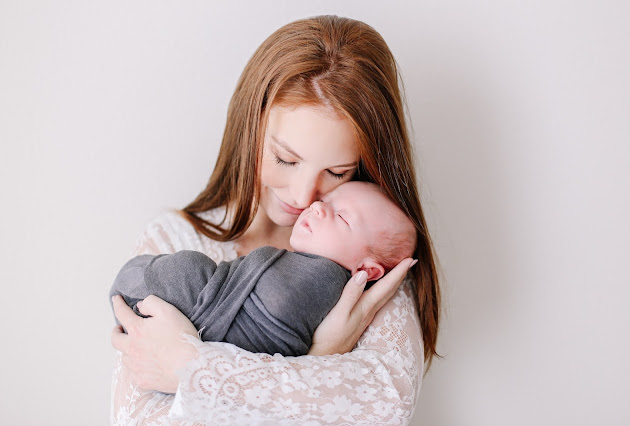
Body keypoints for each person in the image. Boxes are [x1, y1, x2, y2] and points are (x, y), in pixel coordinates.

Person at [111, 15, 440, 424]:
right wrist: (322, 356)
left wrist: (191, 368)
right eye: (286, 158)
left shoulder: (366, 265)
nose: (304, 197)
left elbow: (384, 408)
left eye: (337, 172)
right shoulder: (173, 239)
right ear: (250, 126)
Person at [110, 182, 417, 357]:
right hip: (177, 313)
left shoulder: (328, 283)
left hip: (206, 317)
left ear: (369, 271)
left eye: (343, 217)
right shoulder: (171, 230)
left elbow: (277, 311)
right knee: (188, 269)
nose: (316, 206)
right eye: (326, 201)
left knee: (189, 270)